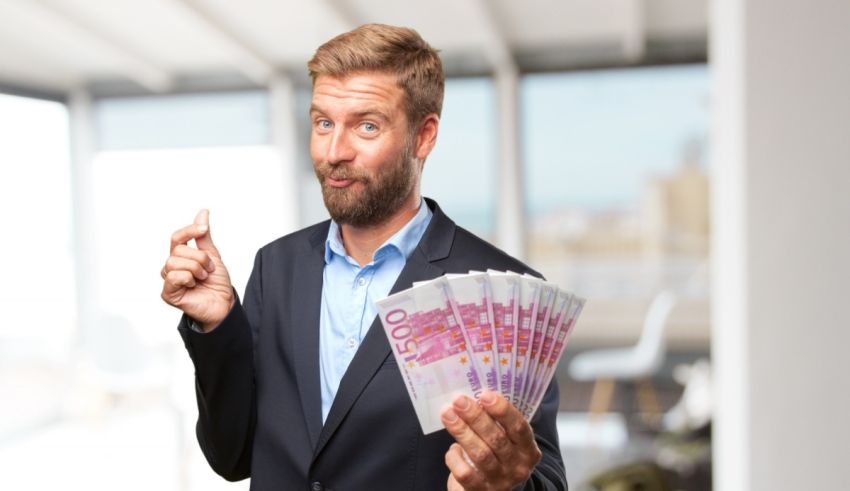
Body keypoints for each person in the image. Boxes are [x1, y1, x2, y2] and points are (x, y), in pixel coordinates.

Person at [161, 24, 567, 491]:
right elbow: (231, 457)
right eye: (323, 123)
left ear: (424, 136)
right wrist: (217, 329)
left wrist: (506, 485)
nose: (335, 152)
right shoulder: (277, 266)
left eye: (366, 126)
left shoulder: (503, 291)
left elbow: (545, 479)